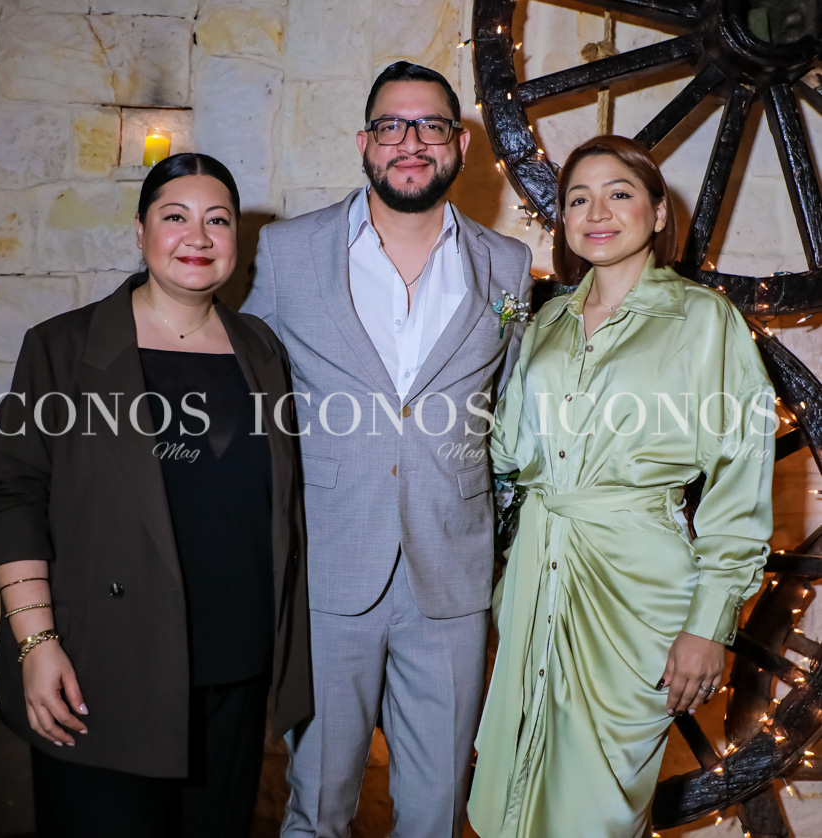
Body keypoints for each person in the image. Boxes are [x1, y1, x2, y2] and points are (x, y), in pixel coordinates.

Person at [0, 153, 313, 838]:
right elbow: (12, 497)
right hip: (102, 670)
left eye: (218, 220)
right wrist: (36, 642)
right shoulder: (61, 348)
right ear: (140, 231)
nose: (198, 237)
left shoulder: (261, 349)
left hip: (235, 674)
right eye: (175, 217)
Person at [243, 61, 533, 838]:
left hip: (452, 577)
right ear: (364, 143)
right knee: (319, 806)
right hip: (329, 568)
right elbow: (243, 387)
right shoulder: (288, 251)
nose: (410, 142)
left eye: (430, 125)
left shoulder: (507, 265)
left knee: (437, 813)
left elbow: (509, 404)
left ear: (460, 144)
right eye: (391, 126)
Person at [467, 135, 775, 837]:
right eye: (578, 198)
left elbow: (740, 480)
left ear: (659, 213)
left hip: (636, 597)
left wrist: (708, 624)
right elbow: (505, 452)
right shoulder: (545, 321)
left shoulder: (704, 321)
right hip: (534, 579)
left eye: (619, 193)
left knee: (598, 813)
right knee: (512, 798)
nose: (596, 212)